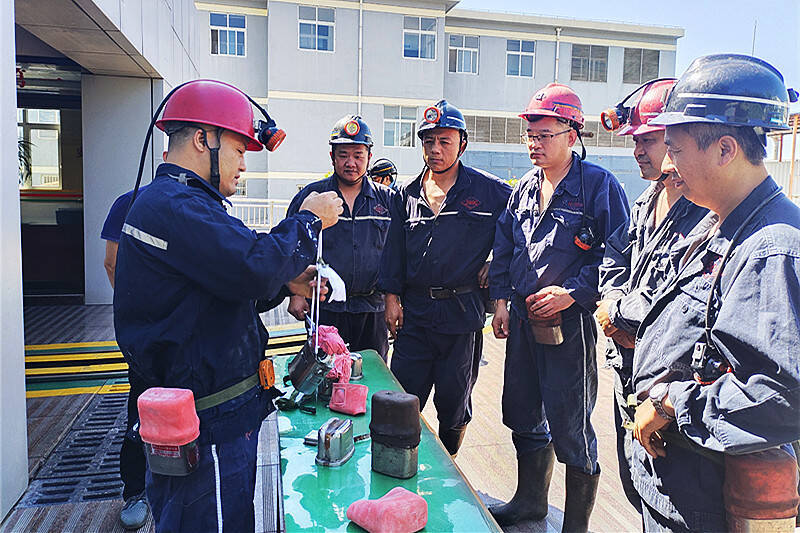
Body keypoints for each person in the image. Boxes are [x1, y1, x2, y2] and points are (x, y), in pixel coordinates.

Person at [113, 79, 342, 532]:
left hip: (209, 413)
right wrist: (309, 220)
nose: (242, 165)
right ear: (203, 139)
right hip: (208, 420)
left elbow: (236, 285)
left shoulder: (178, 204)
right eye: (239, 150)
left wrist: (289, 280)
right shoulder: (177, 206)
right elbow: (251, 267)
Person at [628, 54, 800, 532]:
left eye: (677, 149)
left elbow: (782, 392)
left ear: (725, 149)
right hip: (677, 482)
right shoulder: (717, 222)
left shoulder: (771, 247)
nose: (669, 163)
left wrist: (669, 403)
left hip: (705, 497)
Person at [488, 83, 629, 532]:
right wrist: (501, 300)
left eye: (545, 134)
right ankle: (530, 503)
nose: (534, 143)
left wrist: (572, 293)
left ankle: (575, 526)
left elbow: (618, 254)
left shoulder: (599, 187)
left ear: (572, 134)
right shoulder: (524, 188)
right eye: (530, 135)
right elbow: (506, 244)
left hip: (570, 326)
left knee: (570, 424)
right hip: (526, 322)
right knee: (523, 412)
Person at [593, 78, 708, 513]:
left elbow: (678, 298)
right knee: (635, 482)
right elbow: (614, 261)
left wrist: (617, 310)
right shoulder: (646, 202)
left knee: (673, 498)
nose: (638, 150)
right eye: (635, 140)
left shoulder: (707, 210)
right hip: (630, 372)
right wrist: (610, 306)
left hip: (673, 388)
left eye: (649, 139)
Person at [379, 99, 511, 456]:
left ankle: (451, 465)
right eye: (428, 141)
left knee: (454, 402)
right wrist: (391, 299)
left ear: (462, 144)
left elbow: (522, 228)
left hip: (461, 313)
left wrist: (498, 261)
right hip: (415, 315)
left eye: (444, 141)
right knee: (404, 396)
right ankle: (402, 464)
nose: (435, 149)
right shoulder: (404, 195)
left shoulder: (490, 191)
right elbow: (392, 251)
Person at [286, 116, 394, 360]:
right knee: (324, 378)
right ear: (332, 156)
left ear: (369, 156)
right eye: (343, 154)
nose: (351, 163)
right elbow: (293, 246)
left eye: (358, 155)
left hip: (372, 310)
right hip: (324, 307)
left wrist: (394, 301)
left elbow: (398, 255)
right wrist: (296, 294)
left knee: (371, 378)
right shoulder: (311, 197)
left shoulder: (388, 201)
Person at [100, 185, 151, 530]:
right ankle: (137, 491)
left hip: (192, 336)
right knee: (143, 409)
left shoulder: (205, 204)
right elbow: (112, 262)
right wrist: (141, 310)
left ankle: (178, 486)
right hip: (147, 335)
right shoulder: (129, 202)